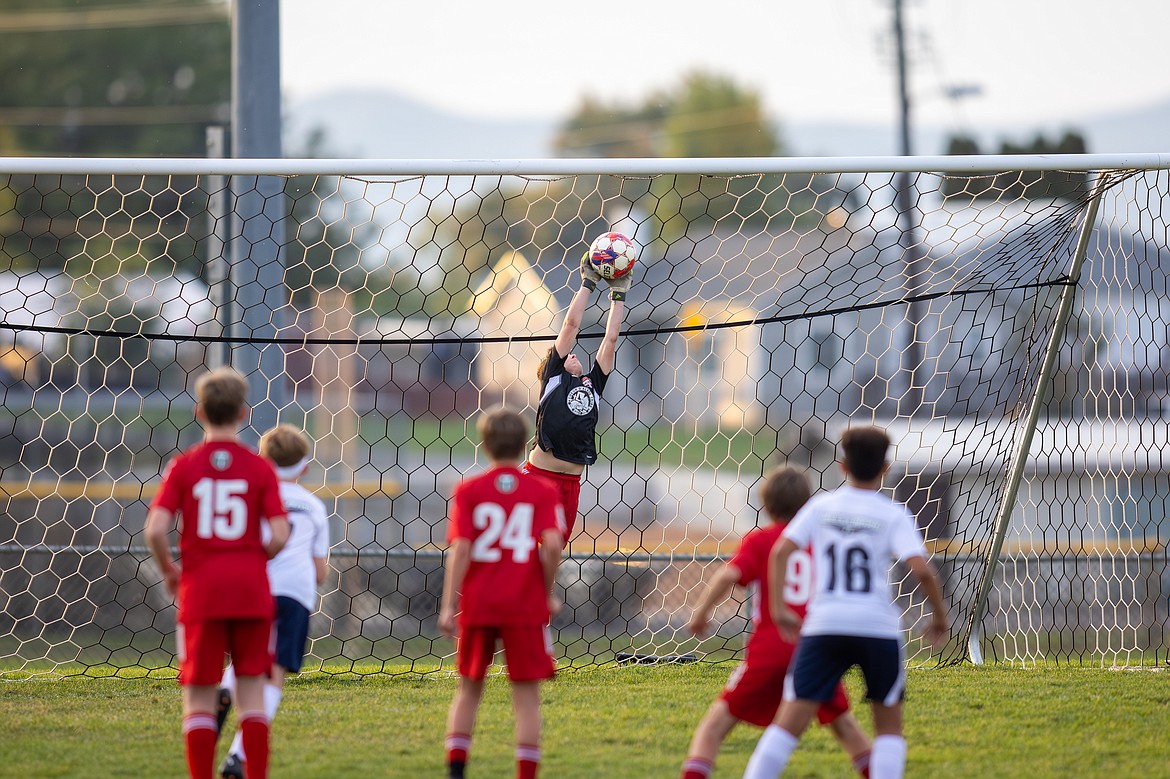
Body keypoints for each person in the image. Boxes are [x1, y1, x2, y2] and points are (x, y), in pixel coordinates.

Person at [742, 426, 950, 779]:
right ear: (885, 468)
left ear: (841, 466)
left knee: (788, 723)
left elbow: (780, 551)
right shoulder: (894, 513)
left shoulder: (821, 506)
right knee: (887, 727)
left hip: (825, 625)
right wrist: (939, 618)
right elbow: (924, 572)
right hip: (878, 628)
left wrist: (777, 609)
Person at [144, 367, 290, 779]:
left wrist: (171, 570)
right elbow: (280, 534)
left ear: (198, 411)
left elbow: (156, 529)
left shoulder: (183, 466)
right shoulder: (259, 468)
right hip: (250, 592)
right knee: (251, 696)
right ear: (244, 412)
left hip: (201, 592)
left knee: (199, 698)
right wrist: (251, 558)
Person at [681, 466, 872, 779]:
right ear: (808, 504)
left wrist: (701, 613)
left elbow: (729, 574)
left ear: (765, 504)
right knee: (845, 726)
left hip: (770, 647)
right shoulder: (820, 542)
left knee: (715, 726)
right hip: (815, 648)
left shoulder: (761, 541)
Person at [439, 407, 566, 779]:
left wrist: (449, 606)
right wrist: (546, 593)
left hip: (479, 604)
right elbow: (554, 545)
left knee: (469, 689)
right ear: (525, 442)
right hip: (524, 606)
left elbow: (460, 550)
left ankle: (456, 772)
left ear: (485, 444)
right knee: (526, 698)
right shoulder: (541, 490)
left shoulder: (468, 490)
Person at [216, 423, 332, 779]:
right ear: (305, 467)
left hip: (254, 587)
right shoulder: (313, 506)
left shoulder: (251, 496)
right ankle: (238, 755)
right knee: (273, 675)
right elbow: (320, 571)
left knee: (247, 658)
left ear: (261, 459)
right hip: (295, 592)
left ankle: (223, 690)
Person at [523, 248, 631, 546]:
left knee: (554, 548)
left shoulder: (593, 384)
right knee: (524, 545)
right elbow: (571, 325)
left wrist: (618, 295)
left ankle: (543, 593)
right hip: (537, 476)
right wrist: (587, 283)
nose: (573, 354)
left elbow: (610, 339)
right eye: (567, 354)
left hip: (570, 483)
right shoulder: (554, 378)